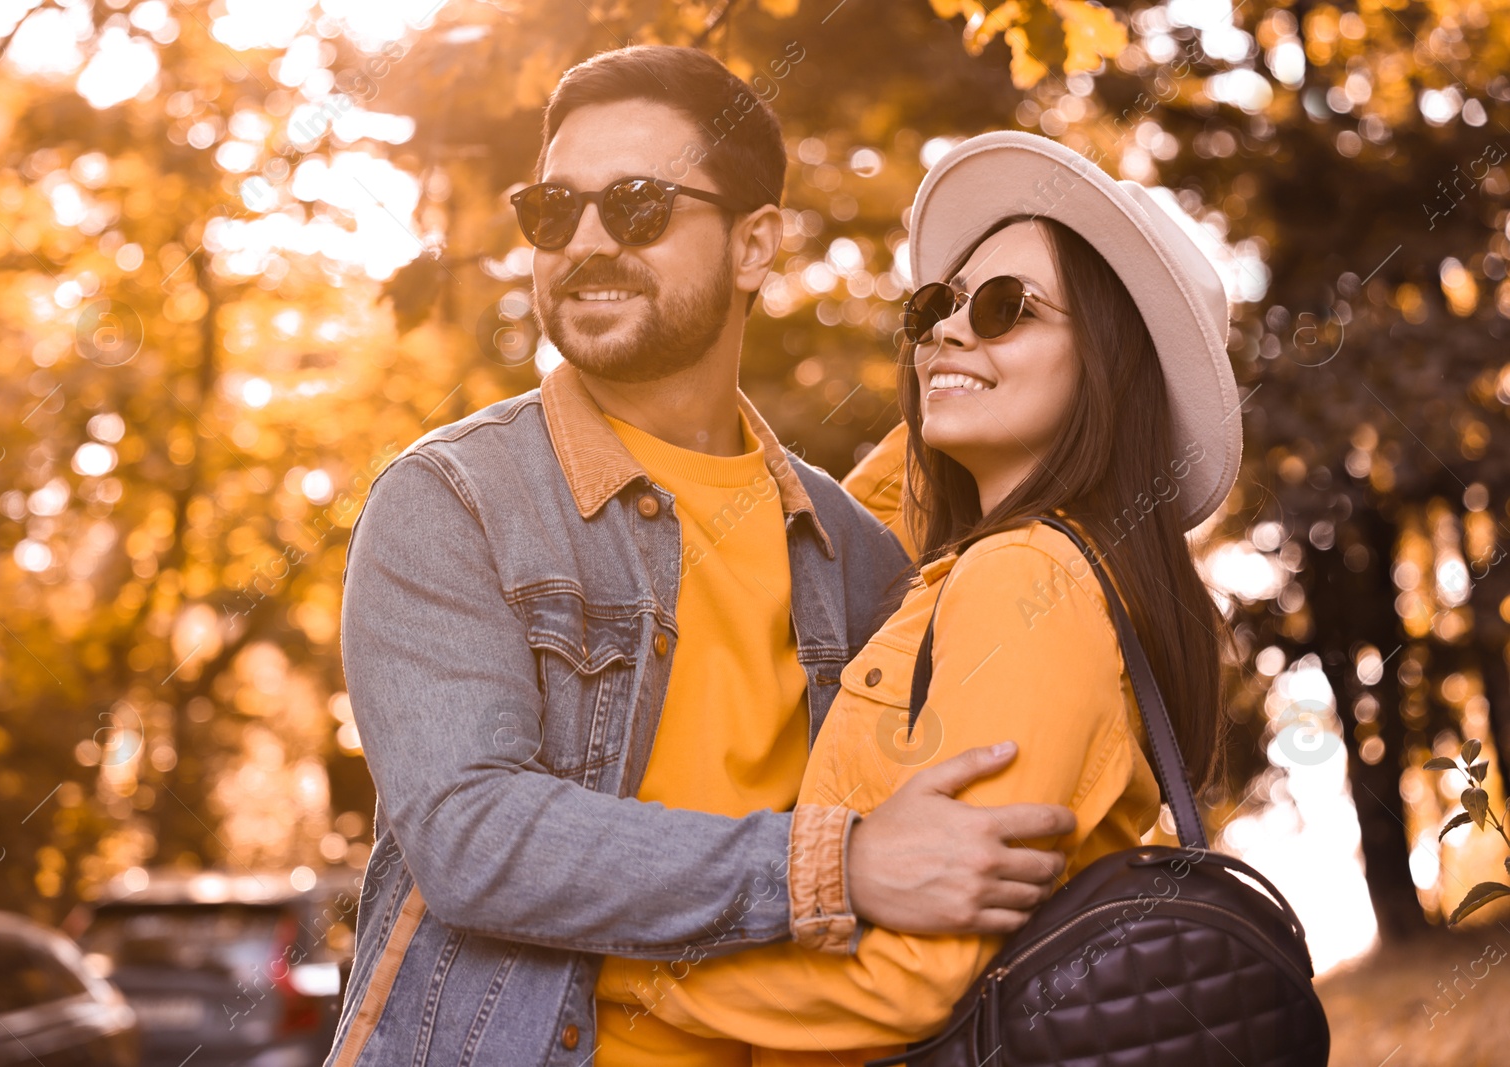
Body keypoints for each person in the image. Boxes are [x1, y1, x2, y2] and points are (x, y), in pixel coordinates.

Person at [330, 52, 1078, 1067]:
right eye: (553, 210)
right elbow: (473, 836)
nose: (585, 242)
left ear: (753, 243)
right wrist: (835, 865)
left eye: (637, 206)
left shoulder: (856, 557)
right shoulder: (452, 501)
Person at [597, 130, 1243, 1065]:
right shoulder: (981, 570)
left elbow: (905, 977)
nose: (946, 327)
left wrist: (606, 970)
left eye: (1004, 306)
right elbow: (833, 522)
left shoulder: (1026, 578)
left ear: (1109, 359)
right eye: (938, 304)